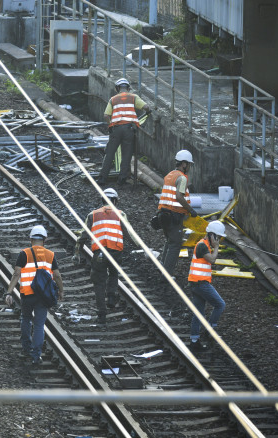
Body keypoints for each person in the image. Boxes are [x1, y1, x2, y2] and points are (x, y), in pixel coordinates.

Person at [5, 225, 64, 365]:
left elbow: (16, 274)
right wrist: (61, 290)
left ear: (31, 239)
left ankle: (26, 349)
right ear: (45, 240)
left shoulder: (24, 254)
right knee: (39, 325)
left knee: (25, 319)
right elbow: (57, 275)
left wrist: (9, 292)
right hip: (43, 296)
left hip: (27, 294)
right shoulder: (50, 255)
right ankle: (36, 355)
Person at [73, 188, 125, 324]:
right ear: (115, 200)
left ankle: (102, 314)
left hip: (99, 254)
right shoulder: (121, 214)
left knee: (99, 283)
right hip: (116, 252)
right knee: (114, 274)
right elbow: (129, 233)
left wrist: (77, 252)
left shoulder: (93, 215)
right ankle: (112, 296)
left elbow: (83, 235)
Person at [97, 77, 151, 186]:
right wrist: (148, 112)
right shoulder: (133, 97)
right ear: (128, 87)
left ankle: (102, 178)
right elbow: (146, 107)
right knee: (126, 154)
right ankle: (122, 179)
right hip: (129, 129)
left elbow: (106, 115)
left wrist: (111, 125)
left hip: (116, 129)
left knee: (110, 153)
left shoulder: (113, 99)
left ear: (117, 88)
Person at [158, 149, 198, 279]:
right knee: (175, 245)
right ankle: (167, 275)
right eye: (189, 165)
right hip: (174, 216)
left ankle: (163, 270)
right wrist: (190, 210)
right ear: (184, 164)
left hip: (163, 214)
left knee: (169, 242)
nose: (190, 167)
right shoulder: (182, 178)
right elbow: (179, 197)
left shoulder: (170, 175)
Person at [187, 221, 226, 352]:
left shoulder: (204, 245)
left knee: (198, 313)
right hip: (200, 284)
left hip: (196, 283)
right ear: (212, 235)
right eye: (218, 237)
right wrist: (216, 247)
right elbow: (212, 260)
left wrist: (214, 246)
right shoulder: (203, 246)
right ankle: (210, 330)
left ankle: (194, 341)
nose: (219, 239)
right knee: (220, 304)